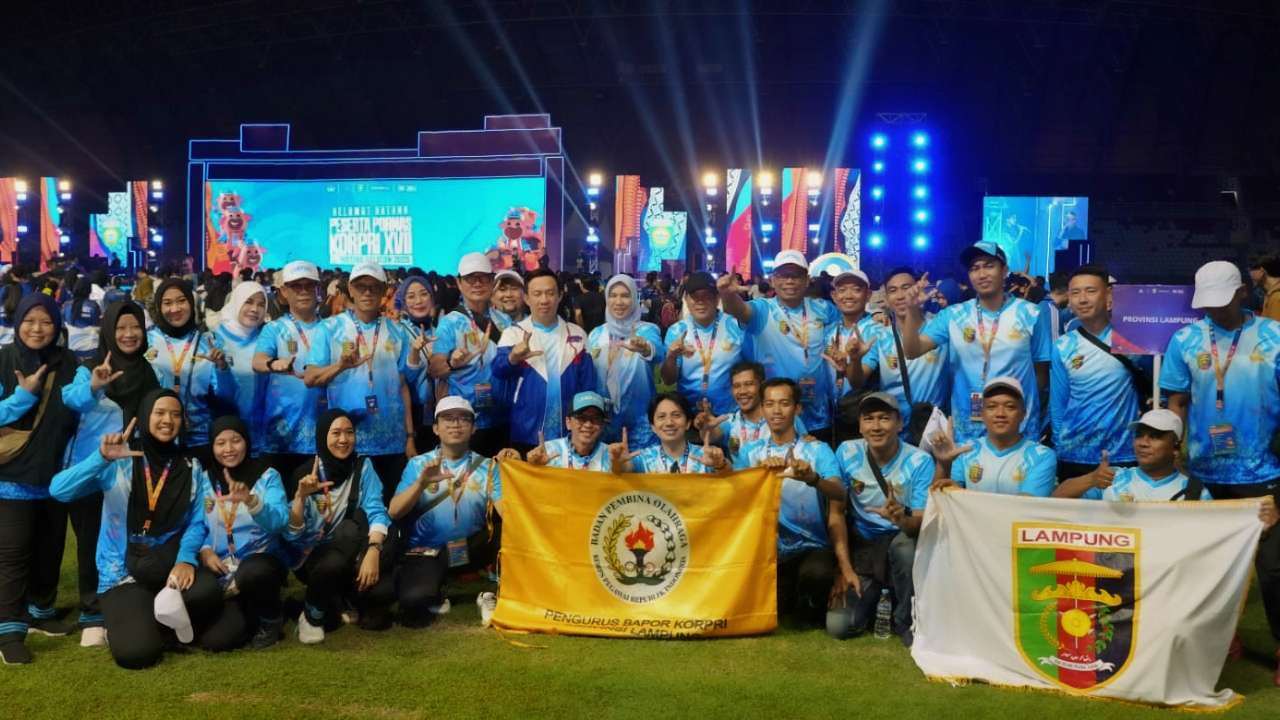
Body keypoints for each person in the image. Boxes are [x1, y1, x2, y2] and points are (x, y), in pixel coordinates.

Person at [1160, 260, 1280, 679]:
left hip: (1263, 472)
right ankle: (1221, 636)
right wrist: (1174, 444)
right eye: (1206, 302)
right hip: (1204, 471)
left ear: (1243, 292)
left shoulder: (1274, 336)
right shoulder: (1185, 339)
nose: (1213, 309)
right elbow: (1176, 399)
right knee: (1204, 564)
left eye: (1222, 300)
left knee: (1273, 568)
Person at [50, 390, 225, 669]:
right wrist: (101, 458)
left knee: (207, 591)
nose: (168, 420)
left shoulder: (190, 466)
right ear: (145, 416)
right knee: (137, 654)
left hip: (168, 567)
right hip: (123, 574)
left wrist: (185, 560)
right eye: (160, 412)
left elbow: (196, 522)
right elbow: (59, 490)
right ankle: (147, 621)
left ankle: (157, 615)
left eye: (175, 414)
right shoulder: (120, 459)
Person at [0, 294, 101, 663]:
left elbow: (79, 401)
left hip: (56, 475)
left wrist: (92, 388)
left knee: (50, 549)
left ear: (57, 325)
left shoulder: (69, 361)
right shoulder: (4, 359)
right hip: (12, 475)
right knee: (12, 557)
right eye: (30, 321)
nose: (37, 329)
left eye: (46, 321)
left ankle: (39, 613)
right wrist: (22, 397)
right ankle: (9, 632)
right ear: (18, 323)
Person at [61, 300, 161, 647]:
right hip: (93, 468)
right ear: (108, 331)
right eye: (121, 328)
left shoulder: (148, 372)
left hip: (131, 471)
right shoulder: (89, 368)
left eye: (135, 327)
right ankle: (91, 612)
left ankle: (123, 599)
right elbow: (72, 399)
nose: (129, 334)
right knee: (89, 539)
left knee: (124, 538)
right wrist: (94, 385)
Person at [900, 241, 1052, 444]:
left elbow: (1041, 374)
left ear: (1004, 270)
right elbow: (912, 351)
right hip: (968, 430)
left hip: (1018, 428)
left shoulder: (1031, 313)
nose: (981, 274)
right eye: (974, 268)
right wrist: (911, 310)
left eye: (989, 266)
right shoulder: (954, 315)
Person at [733, 378, 849, 627]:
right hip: (766, 548)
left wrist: (813, 479)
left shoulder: (817, 450)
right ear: (762, 408)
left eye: (784, 403)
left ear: (797, 409)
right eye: (769, 404)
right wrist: (757, 475)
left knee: (815, 579)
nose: (776, 411)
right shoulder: (749, 453)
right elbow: (736, 500)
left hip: (811, 545)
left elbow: (840, 493)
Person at [303, 261, 421, 505]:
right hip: (346, 444)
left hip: (392, 443)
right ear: (350, 289)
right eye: (361, 286)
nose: (367, 292)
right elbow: (311, 378)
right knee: (352, 512)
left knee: (390, 508)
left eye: (374, 287)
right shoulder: (330, 328)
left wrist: (410, 436)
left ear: (384, 291)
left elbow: (403, 386)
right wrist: (340, 366)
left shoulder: (397, 330)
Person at [830, 392, 935, 645]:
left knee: (904, 549)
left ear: (900, 424)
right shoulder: (846, 452)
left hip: (902, 538)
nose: (876, 426)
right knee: (838, 626)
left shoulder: (920, 461)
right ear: (859, 426)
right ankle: (878, 597)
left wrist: (901, 519)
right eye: (869, 419)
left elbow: (919, 523)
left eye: (884, 418)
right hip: (865, 546)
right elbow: (836, 513)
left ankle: (905, 620)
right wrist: (844, 569)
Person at [390, 397, 501, 627]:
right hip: (428, 552)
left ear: (473, 428)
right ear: (435, 428)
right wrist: (420, 484)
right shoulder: (418, 465)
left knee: (507, 531)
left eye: (463, 418)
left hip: (470, 548)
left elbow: (509, 513)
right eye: (448, 418)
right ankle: (438, 588)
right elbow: (394, 512)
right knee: (413, 602)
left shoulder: (489, 466)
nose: (456, 424)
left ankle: (493, 592)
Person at [285, 410, 395, 643]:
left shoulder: (363, 466)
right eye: (335, 433)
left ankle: (343, 598)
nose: (344, 440)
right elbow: (293, 535)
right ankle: (311, 615)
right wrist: (301, 496)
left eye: (349, 432)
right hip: (313, 556)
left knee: (383, 591)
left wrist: (373, 550)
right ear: (322, 436)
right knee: (341, 546)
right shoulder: (304, 474)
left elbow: (376, 510)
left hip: (351, 547)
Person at [718, 251, 841, 441]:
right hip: (774, 416)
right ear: (773, 280)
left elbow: (847, 325)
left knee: (818, 459)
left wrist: (877, 315)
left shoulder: (824, 308)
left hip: (818, 413)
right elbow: (739, 310)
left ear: (807, 280)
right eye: (783, 275)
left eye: (796, 275)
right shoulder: (763, 309)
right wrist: (727, 295)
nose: (790, 281)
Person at [196, 416, 290, 649]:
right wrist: (205, 550)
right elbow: (196, 524)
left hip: (260, 565)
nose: (229, 449)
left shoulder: (267, 476)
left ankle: (271, 619)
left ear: (247, 442)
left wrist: (251, 501)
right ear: (212, 447)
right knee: (216, 641)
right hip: (220, 569)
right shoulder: (204, 480)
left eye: (236, 440)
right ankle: (244, 610)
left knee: (253, 572)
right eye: (220, 443)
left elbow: (280, 522)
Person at [1049, 266, 1142, 481]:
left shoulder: (1132, 340)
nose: (1082, 299)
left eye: (1090, 291)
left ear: (1108, 296)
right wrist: (1060, 446)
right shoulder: (1063, 346)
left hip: (1122, 453)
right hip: (1073, 454)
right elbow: (1059, 403)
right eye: (1075, 293)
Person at [493, 268, 597, 452]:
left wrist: (584, 422)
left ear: (560, 295)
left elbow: (588, 385)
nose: (544, 300)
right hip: (525, 431)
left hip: (569, 434)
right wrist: (513, 357)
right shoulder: (513, 333)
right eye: (537, 294)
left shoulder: (577, 334)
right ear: (526, 298)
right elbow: (498, 371)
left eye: (550, 293)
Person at [145, 278, 237, 469]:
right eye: (167, 303)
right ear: (159, 307)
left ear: (191, 302)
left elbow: (226, 397)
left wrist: (222, 368)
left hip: (200, 439)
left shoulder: (209, 341)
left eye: (181, 301)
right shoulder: (148, 340)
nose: (175, 309)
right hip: (159, 436)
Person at [253, 260, 325, 490]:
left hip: (319, 436)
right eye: (296, 286)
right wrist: (273, 364)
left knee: (311, 506)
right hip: (278, 436)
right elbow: (257, 361)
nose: (303, 291)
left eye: (308, 285)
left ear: (317, 289)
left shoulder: (331, 328)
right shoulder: (274, 329)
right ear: (284, 291)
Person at [430, 253, 508, 457]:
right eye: (470, 278)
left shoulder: (504, 320)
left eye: (483, 277)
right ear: (459, 283)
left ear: (492, 281)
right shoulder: (449, 323)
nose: (477, 283)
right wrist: (452, 363)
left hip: (502, 417)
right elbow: (435, 369)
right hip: (465, 422)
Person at [931, 376, 1057, 497]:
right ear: (982, 414)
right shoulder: (964, 451)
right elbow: (942, 501)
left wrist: (962, 494)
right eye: (992, 407)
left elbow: (1025, 506)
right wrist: (943, 465)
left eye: (1010, 407)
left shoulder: (1042, 456)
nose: (1000, 414)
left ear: (1023, 414)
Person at [859, 268, 950, 435]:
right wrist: (852, 362)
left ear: (919, 289)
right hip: (892, 429)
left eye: (906, 288)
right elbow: (858, 379)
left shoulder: (940, 326)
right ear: (886, 299)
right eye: (893, 290)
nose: (901, 296)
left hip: (932, 427)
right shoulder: (880, 335)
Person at [1053, 409, 1211, 501]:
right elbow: (1056, 499)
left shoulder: (1195, 492)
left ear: (1175, 447)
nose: (1143, 443)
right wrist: (1091, 479)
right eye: (1139, 435)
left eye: (1155, 436)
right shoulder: (1112, 477)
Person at [588, 274, 665, 448]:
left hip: (639, 423)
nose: (619, 302)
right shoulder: (596, 334)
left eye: (625, 295)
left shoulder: (647, 330)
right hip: (602, 422)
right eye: (613, 295)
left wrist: (644, 348)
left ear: (635, 298)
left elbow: (658, 352)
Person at [661, 272, 748, 416]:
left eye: (706, 296)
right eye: (694, 297)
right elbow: (668, 380)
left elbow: (753, 370)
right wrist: (671, 357)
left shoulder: (735, 327)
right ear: (686, 299)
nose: (700, 302)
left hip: (729, 415)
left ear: (717, 298)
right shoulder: (677, 331)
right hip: (688, 415)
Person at [698, 360, 807, 465]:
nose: (742, 391)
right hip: (741, 477)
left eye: (749, 384)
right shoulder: (730, 421)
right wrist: (705, 428)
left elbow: (806, 450)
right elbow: (711, 435)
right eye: (736, 386)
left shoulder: (783, 418)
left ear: (762, 386)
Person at [818, 262, 884, 426]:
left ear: (868, 295)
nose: (848, 295)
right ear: (834, 296)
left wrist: (853, 361)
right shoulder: (828, 331)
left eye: (856, 289)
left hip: (862, 416)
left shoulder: (876, 330)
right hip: (830, 415)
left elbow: (859, 382)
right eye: (842, 290)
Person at [212, 281, 269, 455]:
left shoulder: (267, 339)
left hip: (262, 435)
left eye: (261, 304)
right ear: (237, 301)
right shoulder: (215, 338)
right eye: (248, 302)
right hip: (227, 437)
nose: (255, 309)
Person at [610, 394, 728, 474]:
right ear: (653, 427)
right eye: (661, 417)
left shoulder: (705, 455)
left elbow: (729, 476)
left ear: (688, 423)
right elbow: (623, 469)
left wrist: (720, 465)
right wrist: (617, 463)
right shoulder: (645, 458)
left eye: (676, 415)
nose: (669, 423)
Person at [394, 274, 439, 456]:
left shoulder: (440, 330)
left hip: (440, 411)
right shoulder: (399, 332)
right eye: (411, 296)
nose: (418, 301)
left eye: (423, 294)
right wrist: (414, 352)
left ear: (432, 298)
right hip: (412, 414)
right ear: (404, 302)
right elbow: (404, 381)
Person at [526, 391, 612, 471]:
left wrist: (619, 468)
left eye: (596, 419)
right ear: (568, 422)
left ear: (602, 425)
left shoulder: (612, 456)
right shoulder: (548, 450)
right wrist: (535, 468)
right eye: (581, 418)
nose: (588, 425)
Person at [62, 277, 102, 361]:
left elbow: (64, 326)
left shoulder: (66, 305)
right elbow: (97, 326)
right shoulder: (94, 306)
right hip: (92, 349)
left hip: (72, 349)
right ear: (89, 290)